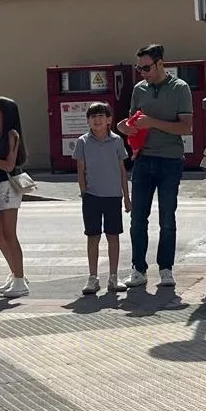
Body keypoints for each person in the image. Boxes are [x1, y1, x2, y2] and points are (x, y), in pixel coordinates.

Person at [116, 44, 193, 289]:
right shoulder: (139, 89)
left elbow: (186, 127)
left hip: (170, 159)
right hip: (143, 159)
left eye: (147, 67)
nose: (143, 73)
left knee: (167, 218)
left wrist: (152, 123)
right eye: (139, 68)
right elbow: (132, 122)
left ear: (161, 63)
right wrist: (123, 127)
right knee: (138, 218)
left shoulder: (180, 88)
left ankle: (166, 268)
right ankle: (138, 269)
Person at [74, 102, 131, 295]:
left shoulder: (116, 141)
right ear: (88, 120)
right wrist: (84, 192)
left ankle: (113, 277)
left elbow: (122, 170)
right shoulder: (83, 141)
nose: (96, 120)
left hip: (113, 195)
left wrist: (126, 196)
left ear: (109, 120)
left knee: (113, 236)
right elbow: (80, 170)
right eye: (92, 116)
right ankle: (93, 277)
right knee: (93, 237)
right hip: (92, 196)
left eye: (101, 116)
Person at [0, 96, 30, 298]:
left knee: (9, 233)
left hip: (8, 185)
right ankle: (16, 273)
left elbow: (9, 165)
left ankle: (20, 280)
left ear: (3, 112)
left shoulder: (11, 134)